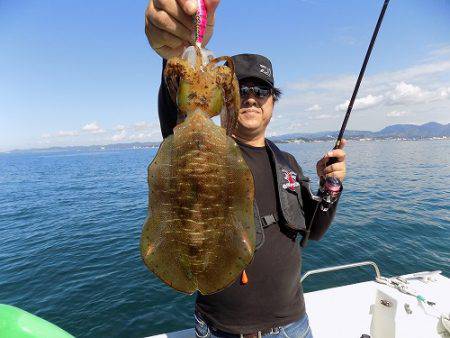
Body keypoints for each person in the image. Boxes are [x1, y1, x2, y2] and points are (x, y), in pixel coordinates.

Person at [145, 1, 347, 337]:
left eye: (262, 90)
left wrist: (332, 187)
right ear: (225, 96)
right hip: (222, 328)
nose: (251, 97)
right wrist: (175, 48)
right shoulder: (198, 149)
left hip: (293, 324)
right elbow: (175, 113)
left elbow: (314, 229)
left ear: (273, 102)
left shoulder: (287, 162)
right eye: (243, 89)